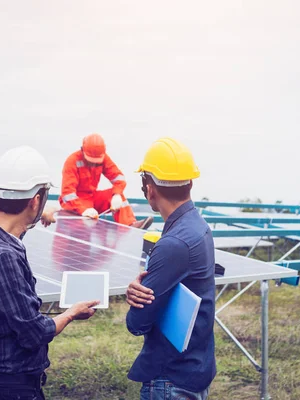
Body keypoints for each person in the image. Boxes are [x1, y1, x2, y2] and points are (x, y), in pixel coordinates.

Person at [0, 146, 99, 400]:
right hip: (7, 388)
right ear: (36, 199)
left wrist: (37, 216)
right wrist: (71, 313)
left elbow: (13, 230)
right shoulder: (3, 257)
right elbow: (34, 333)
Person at [125, 138, 216, 399]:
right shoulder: (199, 226)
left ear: (149, 189)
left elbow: (137, 322)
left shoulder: (174, 243)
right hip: (193, 366)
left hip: (171, 379)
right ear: (190, 182)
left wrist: (135, 299)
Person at [59, 133, 153, 229]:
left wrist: (116, 194)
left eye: (97, 163)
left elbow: (119, 177)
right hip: (76, 202)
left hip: (92, 197)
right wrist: (83, 210)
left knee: (119, 196)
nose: (94, 165)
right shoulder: (72, 161)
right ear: (82, 150)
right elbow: (67, 193)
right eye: (91, 161)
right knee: (86, 223)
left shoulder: (104, 158)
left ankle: (130, 225)